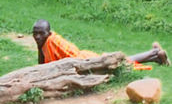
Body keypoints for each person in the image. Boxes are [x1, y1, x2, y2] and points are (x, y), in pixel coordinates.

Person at [32, 19, 169, 69]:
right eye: (35, 33)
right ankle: (157, 57)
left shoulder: (52, 41)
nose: (37, 36)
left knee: (119, 63)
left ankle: (154, 53)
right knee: (120, 62)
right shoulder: (46, 41)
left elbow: (45, 67)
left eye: (41, 33)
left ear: (48, 33)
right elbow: (42, 66)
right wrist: (39, 46)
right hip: (83, 58)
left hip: (84, 61)